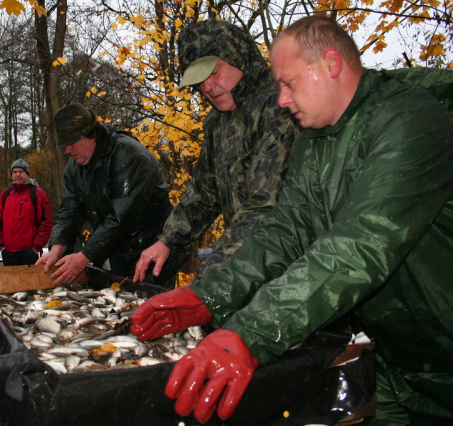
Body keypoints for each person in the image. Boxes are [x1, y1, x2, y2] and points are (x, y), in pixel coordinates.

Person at [131, 15, 453, 425]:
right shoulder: (316, 141)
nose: (281, 99)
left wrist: (251, 333)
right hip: (395, 357)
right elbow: (285, 233)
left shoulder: (409, 120)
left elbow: (358, 247)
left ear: (331, 65)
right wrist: (208, 295)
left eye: (289, 83)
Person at [133, 19, 298, 283]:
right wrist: (166, 241)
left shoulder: (280, 105)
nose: (207, 88)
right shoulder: (217, 121)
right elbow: (203, 192)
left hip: (294, 266)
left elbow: (266, 208)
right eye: (199, 81)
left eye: (214, 72)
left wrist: (209, 278)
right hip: (246, 266)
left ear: (238, 58)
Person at [37, 102, 187, 285]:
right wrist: (56, 249)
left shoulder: (130, 156)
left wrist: (86, 255)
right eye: (64, 146)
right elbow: (69, 210)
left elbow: (122, 216)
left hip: (150, 256)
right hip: (111, 255)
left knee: (149, 310)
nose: (67, 151)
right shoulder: (74, 168)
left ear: (92, 135)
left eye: (72, 143)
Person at [0, 159, 53, 266]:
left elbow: (46, 222)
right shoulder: (5, 194)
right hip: (8, 253)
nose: (17, 174)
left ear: (27, 174)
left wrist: (36, 248)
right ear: (11, 175)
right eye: (14, 172)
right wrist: (2, 246)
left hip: (29, 252)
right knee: (10, 283)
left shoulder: (37, 193)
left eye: (21, 171)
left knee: (30, 283)